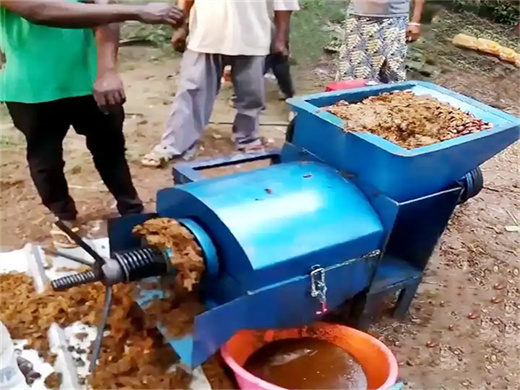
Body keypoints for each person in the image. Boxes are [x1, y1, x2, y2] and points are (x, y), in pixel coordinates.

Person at [0, 0, 184, 247]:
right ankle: (64, 216)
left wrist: (107, 70)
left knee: (111, 151)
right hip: (32, 87)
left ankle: (132, 209)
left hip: (91, 80)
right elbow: (39, 10)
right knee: (46, 160)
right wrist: (137, 11)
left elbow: (105, 10)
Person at [141, 0, 300, 168]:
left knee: (251, 95)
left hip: (252, 36)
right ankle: (173, 145)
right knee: (191, 91)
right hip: (206, 35)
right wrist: (183, 26)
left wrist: (280, 39)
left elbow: (283, 4)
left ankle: (247, 138)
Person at [336, 0, 425, 83]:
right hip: (359, 18)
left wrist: (415, 22)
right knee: (353, 72)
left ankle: (390, 97)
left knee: (392, 67)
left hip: (395, 19)